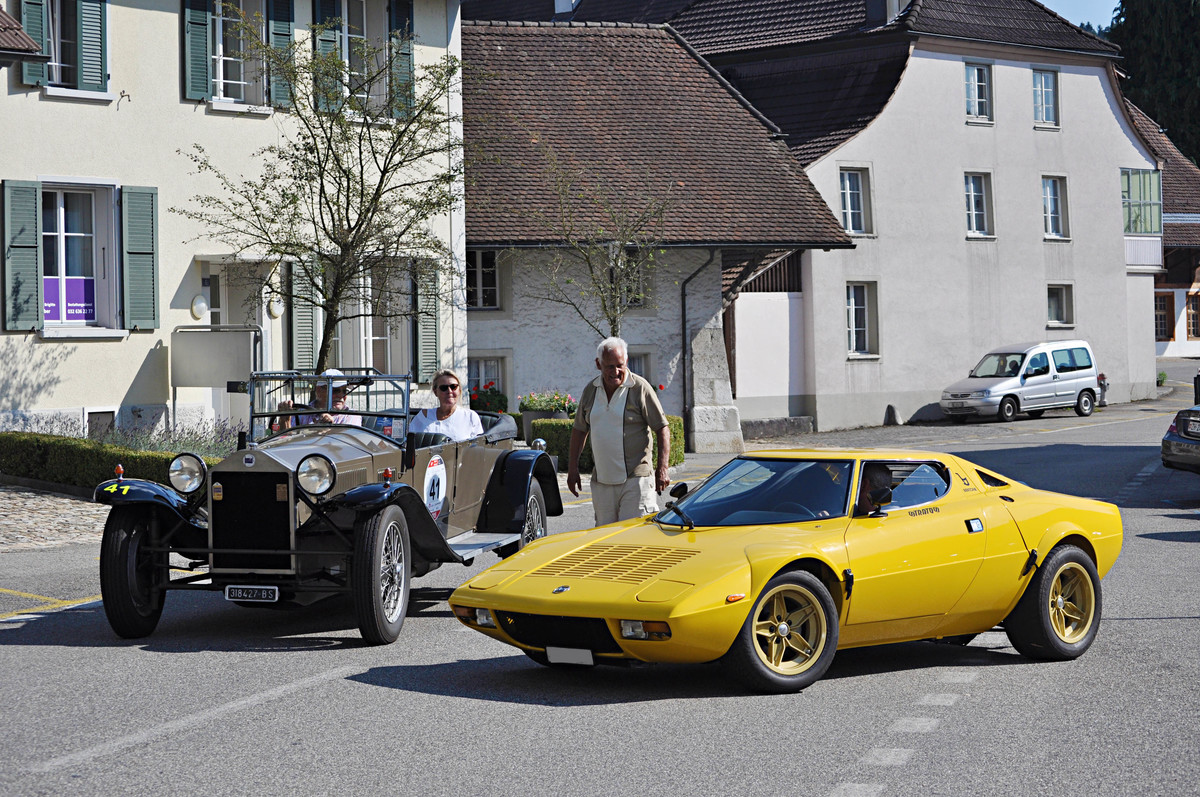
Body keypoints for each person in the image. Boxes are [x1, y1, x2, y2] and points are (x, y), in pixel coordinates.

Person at [568, 337, 670, 525]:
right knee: (605, 538)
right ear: (598, 364)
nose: (615, 372)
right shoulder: (591, 390)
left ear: (627, 361)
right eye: (609, 366)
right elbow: (579, 430)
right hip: (602, 482)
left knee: (633, 537)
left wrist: (662, 469)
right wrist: (572, 468)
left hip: (636, 481)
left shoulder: (640, 388)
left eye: (620, 365)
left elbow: (662, 427)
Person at [408, 368, 484, 441]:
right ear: (435, 392)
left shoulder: (470, 417)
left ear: (459, 390)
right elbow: (411, 443)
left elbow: (478, 447)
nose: (449, 391)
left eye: (453, 387)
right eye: (443, 388)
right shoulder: (423, 416)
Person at [279, 368, 362, 427]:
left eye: (344, 391)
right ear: (319, 391)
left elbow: (346, 443)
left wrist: (329, 428)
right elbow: (287, 442)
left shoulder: (351, 415)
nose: (341, 396)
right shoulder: (302, 413)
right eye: (335, 390)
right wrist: (284, 420)